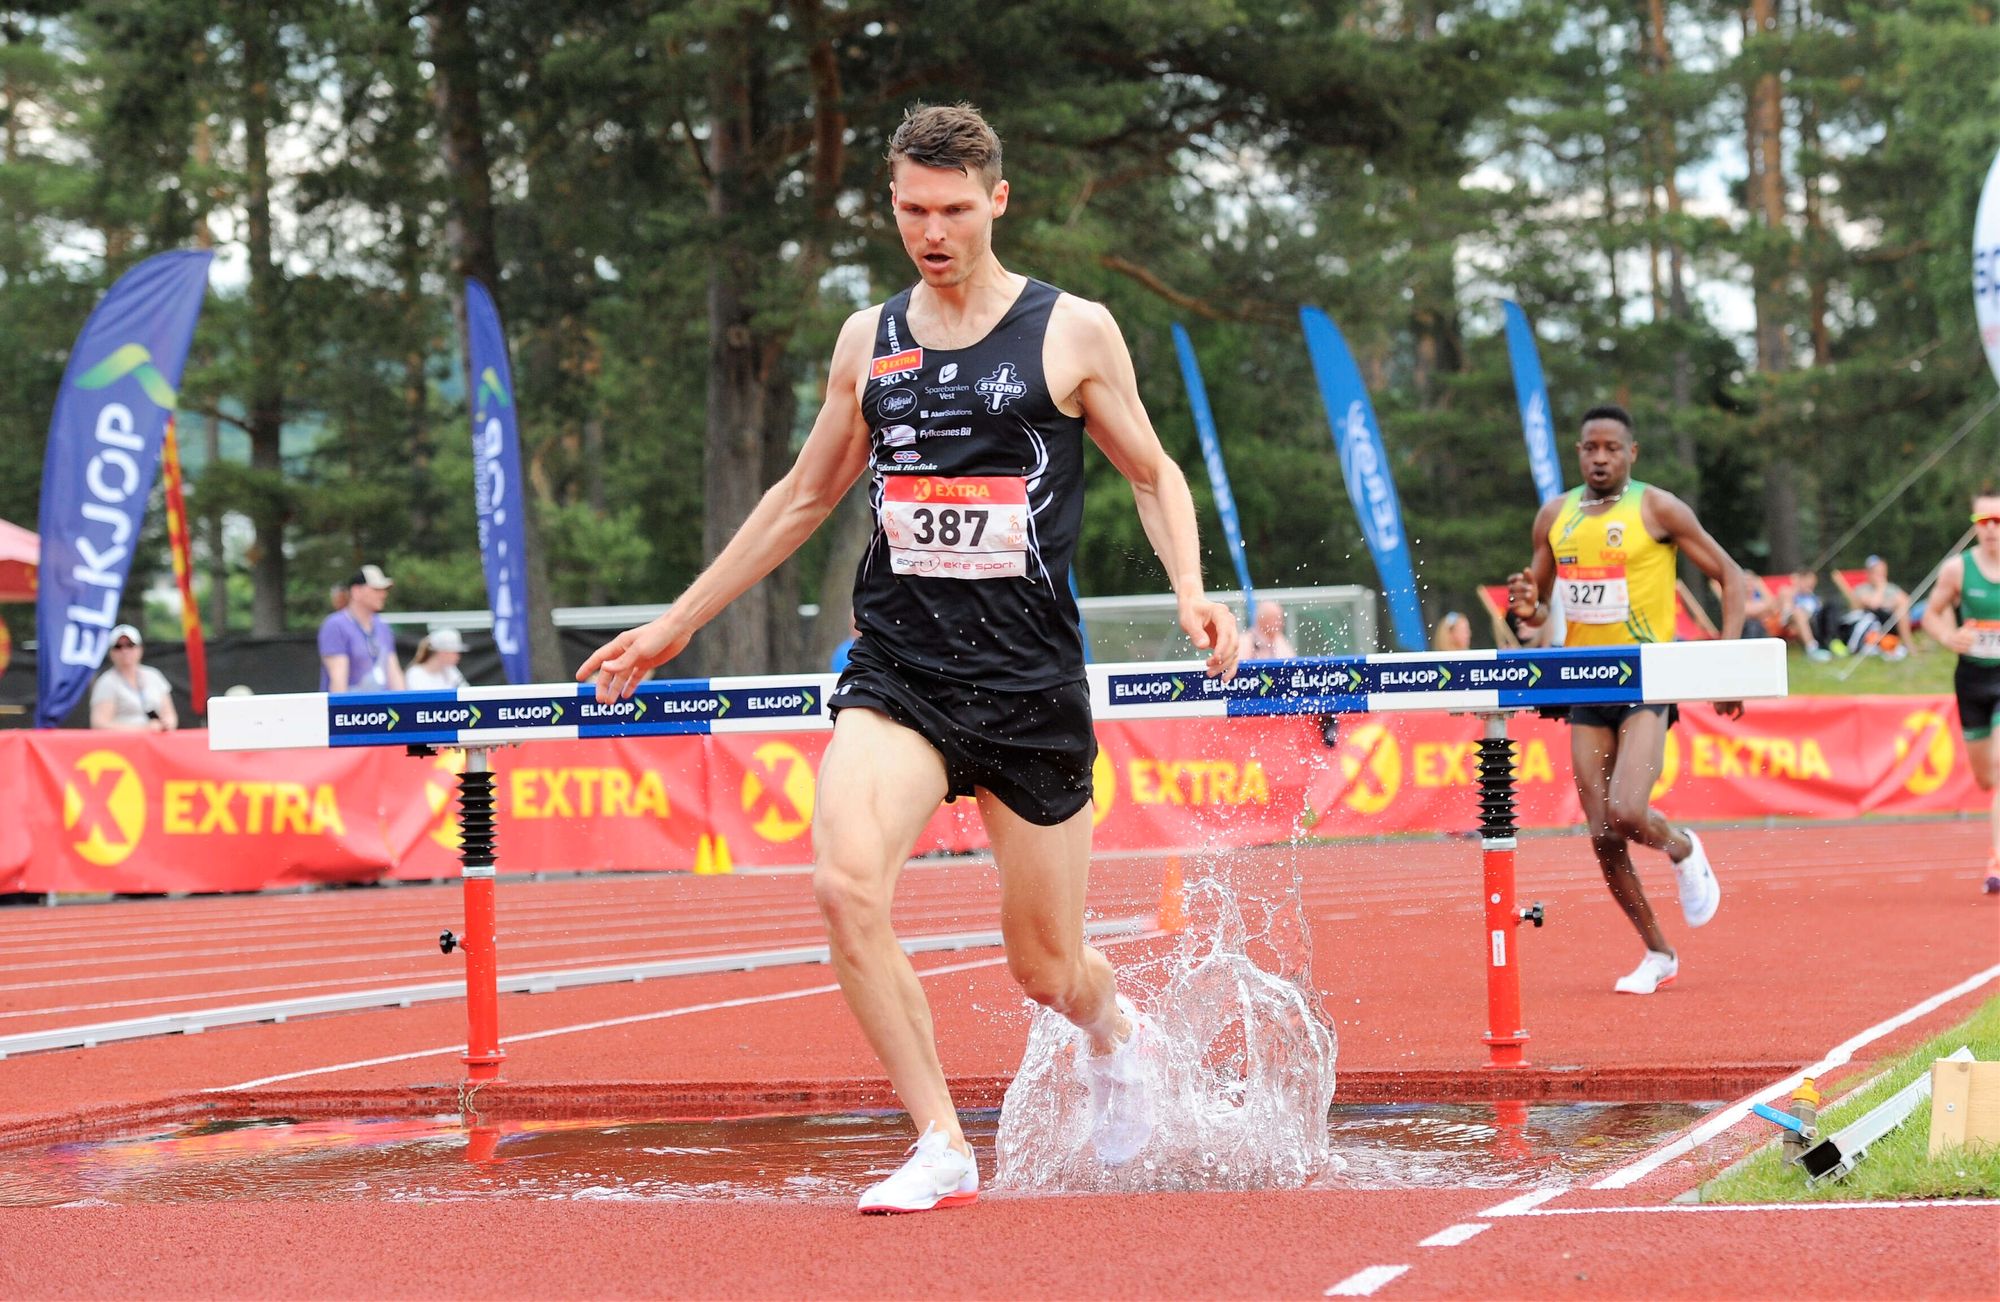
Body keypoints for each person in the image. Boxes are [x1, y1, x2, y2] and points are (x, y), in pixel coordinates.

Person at [579, 103, 1239, 1214]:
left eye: (951, 210)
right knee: (842, 883)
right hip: (899, 674)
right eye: (910, 211)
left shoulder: (1070, 331)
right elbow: (801, 497)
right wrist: (673, 623)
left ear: (996, 201)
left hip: (1027, 685)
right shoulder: (866, 339)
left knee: (1047, 970)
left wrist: (1188, 587)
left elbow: (1150, 470)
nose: (931, 232)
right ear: (890, 205)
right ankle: (939, 1140)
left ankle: (1113, 1030)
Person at [1505, 404, 1746, 995]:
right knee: (1602, 833)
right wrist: (1526, 604)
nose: (1601, 458)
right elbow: (1534, 611)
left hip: (1645, 679)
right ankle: (1659, 953)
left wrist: (1727, 660)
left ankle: (1684, 847)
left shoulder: (1658, 508)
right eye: (1591, 448)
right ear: (1579, 452)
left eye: (1612, 448)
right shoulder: (1554, 515)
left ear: (1631, 453)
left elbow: (1731, 575)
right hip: (1584, 682)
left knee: (1629, 811)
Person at [1918, 492, 2000, 896]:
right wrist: (1951, 636)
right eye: (1983, 522)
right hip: (1972, 680)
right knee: (1987, 779)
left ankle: (1997, 860)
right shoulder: (1957, 570)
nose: (1991, 530)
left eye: (1998, 521)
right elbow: (1930, 614)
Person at [319, 564, 405, 693]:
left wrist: (405, 706)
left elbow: (394, 673)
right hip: (354, 709)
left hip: (381, 708)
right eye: (376, 589)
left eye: (384, 590)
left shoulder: (382, 626)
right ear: (356, 591)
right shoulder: (336, 625)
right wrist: (341, 711)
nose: (383, 594)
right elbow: (338, 680)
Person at [89, 623, 177, 732]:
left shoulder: (154, 675)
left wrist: (167, 724)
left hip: (156, 743)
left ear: (140, 649)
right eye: (118, 647)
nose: (125, 651)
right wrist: (142, 729)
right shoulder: (107, 682)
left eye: (130, 645)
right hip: (123, 745)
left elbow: (170, 715)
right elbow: (99, 724)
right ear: (111, 653)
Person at [1848, 554, 1913, 659]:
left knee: (1902, 611)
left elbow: (1906, 601)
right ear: (1868, 573)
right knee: (1898, 610)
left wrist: (1888, 603)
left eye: (1882, 571)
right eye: (1877, 572)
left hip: (1892, 621)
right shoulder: (1861, 589)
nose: (1881, 575)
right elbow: (1874, 604)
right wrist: (1881, 587)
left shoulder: (1891, 588)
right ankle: (1906, 647)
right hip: (1872, 628)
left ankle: (1908, 646)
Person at [1786, 569, 1834, 662]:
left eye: (1812, 583)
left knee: (1830, 608)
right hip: (1791, 621)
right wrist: (1796, 587)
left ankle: (1830, 643)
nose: (1810, 585)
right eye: (1807, 582)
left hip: (1812, 622)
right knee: (1799, 613)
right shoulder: (1788, 592)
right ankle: (1812, 649)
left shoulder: (1813, 598)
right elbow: (1787, 610)